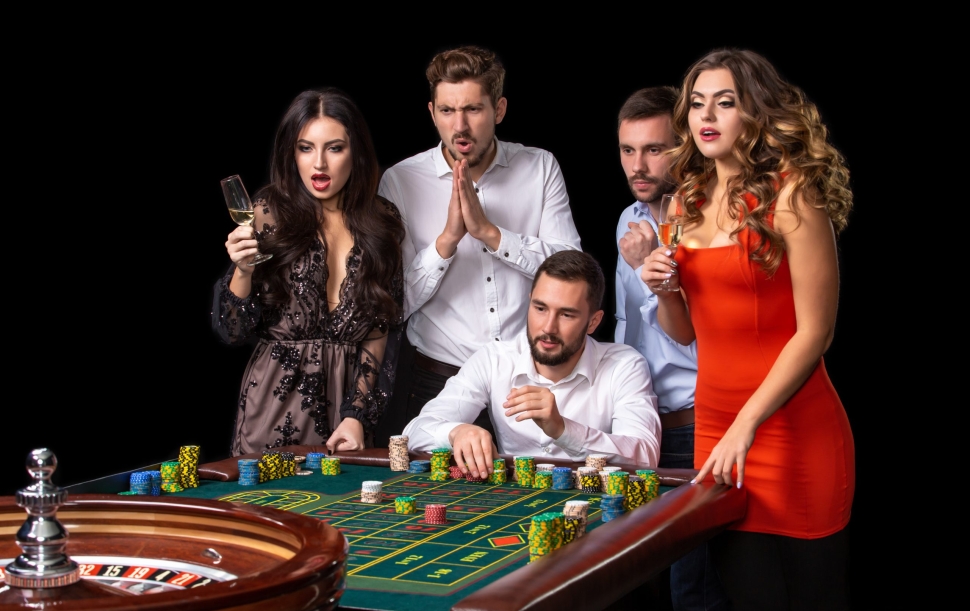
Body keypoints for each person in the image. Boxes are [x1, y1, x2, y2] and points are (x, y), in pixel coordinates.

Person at [644, 49, 854, 609]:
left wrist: (747, 424)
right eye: (696, 103)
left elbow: (816, 332)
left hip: (791, 433)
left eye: (726, 102)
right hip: (719, 432)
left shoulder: (794, 195)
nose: (706, 115)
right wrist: (664, 290)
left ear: (755, 113)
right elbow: (686, 332)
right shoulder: (684, 204)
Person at [377, 46, 581, 441]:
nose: (460, 126)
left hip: (527, 381)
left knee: (533, 500)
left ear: (499, 110)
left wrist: (492, 234)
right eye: (448, 111)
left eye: (473, 109)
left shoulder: (540, 167)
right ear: (432, 112)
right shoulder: (400, 181)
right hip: (435, 379)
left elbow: (572, 272)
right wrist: (448, 240)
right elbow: (394, 303)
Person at [211, 88, 405, 456]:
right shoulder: (268, 213)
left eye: (334, 148)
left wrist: (356, 415)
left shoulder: (384, 222)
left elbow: (382, 331)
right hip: (273, 409)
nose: (319, 163)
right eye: (305, 148)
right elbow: (232, 331)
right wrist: (241, 270)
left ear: (356, 152)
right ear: (291, 153)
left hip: (347, 419)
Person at [614, 87, 726, 611]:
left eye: (654, 149)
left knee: (694, 590)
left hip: (693, 429)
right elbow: (626, 331)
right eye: (627, 150)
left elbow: (694, 336)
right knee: (631, 580)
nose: (638, 164)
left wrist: (647, 265)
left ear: (683, 147)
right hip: (638, 430)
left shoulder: (705, 227)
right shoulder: (627, 219)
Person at [403, 251, 661, 476]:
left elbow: (645, 456)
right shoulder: (495, 359)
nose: (548, 328)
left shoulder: (625, 366)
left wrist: (563, 429)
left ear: (593, 322)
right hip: (510, 505)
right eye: (540, 309)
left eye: (566, 314)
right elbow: (415, 432)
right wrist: (455, 432)